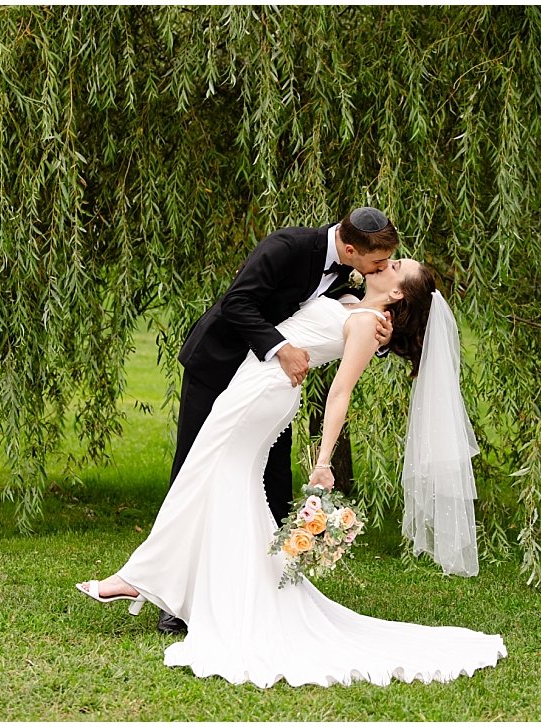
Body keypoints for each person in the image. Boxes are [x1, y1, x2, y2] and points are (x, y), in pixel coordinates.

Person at [77, 256, 507, 688]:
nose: (386, 261)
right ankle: (196, 589)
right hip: (254, 383)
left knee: (199, 476)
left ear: (397, 293)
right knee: (223, 488)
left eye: (395, 265)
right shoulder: (356, 304)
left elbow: (340, 394)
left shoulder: (364, 323)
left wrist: (323, 462)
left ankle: (136, 579)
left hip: (263, 393)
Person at [153, 207, 398, 634]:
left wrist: (378, 336)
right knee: (196, 468)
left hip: (268, 388)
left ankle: (263, 590)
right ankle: (177, 597)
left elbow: (342, 316)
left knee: (272, 482)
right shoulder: (287, 247)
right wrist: (280, 347)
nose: (379, 270)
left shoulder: (348, 268)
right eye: (377, 263)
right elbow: (237, 302)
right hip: (220, 367)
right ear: (352, 248)